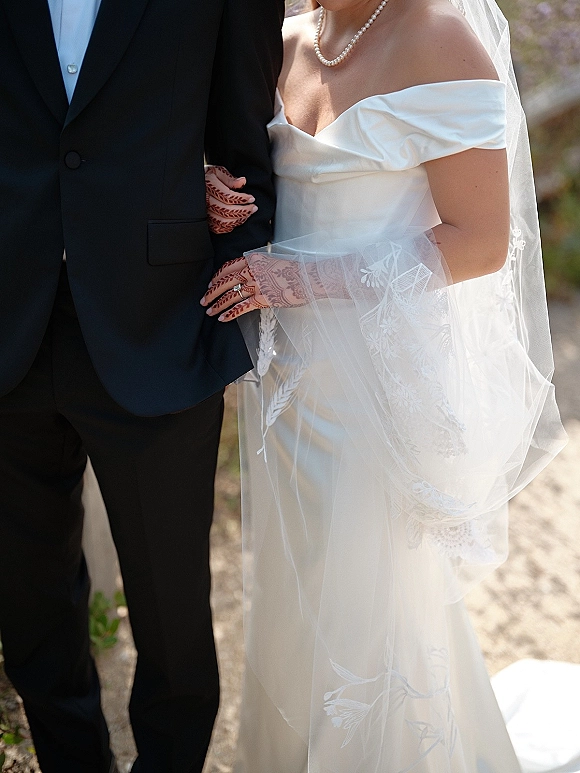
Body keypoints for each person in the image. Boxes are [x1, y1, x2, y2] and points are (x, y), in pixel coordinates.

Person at [202, 0, 567, 770]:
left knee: (370, 602)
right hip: (283, 380)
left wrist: (300, 276)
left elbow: (480, 243)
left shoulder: (439, 38)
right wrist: (211, 187)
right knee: (296, 587)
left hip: (373, 386)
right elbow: (261, 181)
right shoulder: (285, 38)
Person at [0, 1, 284, 771]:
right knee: (29, 610)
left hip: (161, 320)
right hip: (10, 327)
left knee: (172, 615)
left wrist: (219, 229)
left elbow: (247, 146)